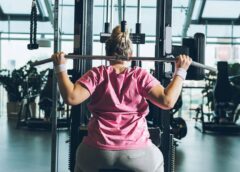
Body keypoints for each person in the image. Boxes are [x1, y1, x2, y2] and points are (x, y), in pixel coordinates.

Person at [51, 25, 192, 172]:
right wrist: (180, 71)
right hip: (136, 154)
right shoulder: (139, 75)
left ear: (107, 55)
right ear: (130, 55)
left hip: (96, 152)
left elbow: (71, 98)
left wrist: (60, 68)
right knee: (158, 161)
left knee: (80, 162)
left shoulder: (98, 74)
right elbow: (167, 101)